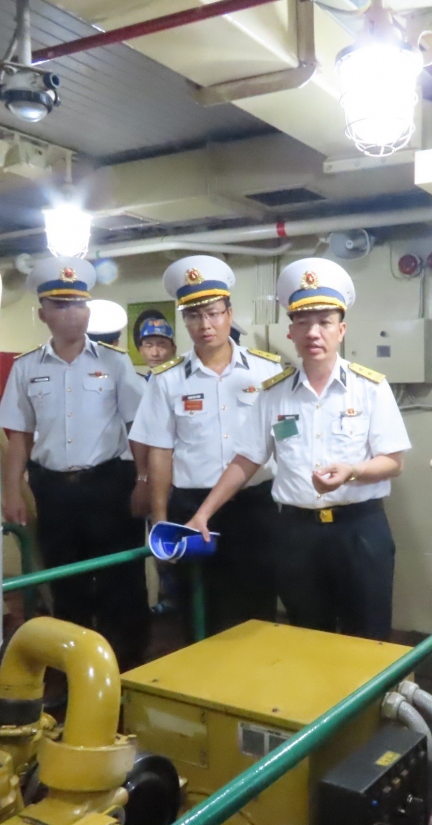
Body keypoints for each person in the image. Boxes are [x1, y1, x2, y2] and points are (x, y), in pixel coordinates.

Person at [187, 258, 410, 640]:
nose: (314, 332)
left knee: (368, 637)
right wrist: (203, 514)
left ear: (341, 329)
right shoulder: (273, 394)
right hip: (296, 535)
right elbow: (247, 460)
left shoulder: (370, 388)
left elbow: (393, 462)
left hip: (360, 532)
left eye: (324, 322)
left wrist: (352, 471)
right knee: (306, 636)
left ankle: (371, 702)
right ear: (290, 332)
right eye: (303, 323)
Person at [0, 256, 151, 669]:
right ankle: (74, 673)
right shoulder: (26, 368)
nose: (73, 315)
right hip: (53, 492)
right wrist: (12, 491)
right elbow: (20, 437)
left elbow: (137, 426)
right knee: (67, 584)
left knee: (123, 582)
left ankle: (128, 670)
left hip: (110, 487)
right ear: (42, 313)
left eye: (80, 304)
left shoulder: (114, 363)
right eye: (61, 306)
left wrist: (143, 480)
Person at [128, 256, 285, 639]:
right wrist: (162, 520)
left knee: (257, 609)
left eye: (213, 313)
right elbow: (160, 452)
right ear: (185, 321)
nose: (205, 325)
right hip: (193, 509)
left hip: (254, 508)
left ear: (229, 313)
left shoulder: (267, 371)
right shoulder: (167, 380)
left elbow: (285, 440)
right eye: (194, 316)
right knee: (199, 612)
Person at [134, 310, 177, 374]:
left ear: (173, 349)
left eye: (161, 346)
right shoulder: (139, 381)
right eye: (149, 346)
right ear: (141, 350)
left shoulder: (181, 380)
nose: (155, 353)